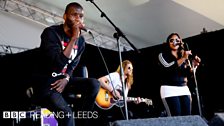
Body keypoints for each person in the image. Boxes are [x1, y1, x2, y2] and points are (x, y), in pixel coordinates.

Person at [31, 2, 100, 126]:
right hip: (48, 83)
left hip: (63, 81)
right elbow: (56, 65)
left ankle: (82, 121)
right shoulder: (51, 33)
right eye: (74, 15)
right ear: (65, 16)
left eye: (81, 16)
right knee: (67, 116)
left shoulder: (82, 41)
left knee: (94, 84)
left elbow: (72, 65)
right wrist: (73, 38)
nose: (78, 19)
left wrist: (67, 78)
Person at [157, 33, 201, 116]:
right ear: (168, 43)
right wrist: (184, 58)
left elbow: (188, 74)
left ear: (180, 42)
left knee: (187, 116)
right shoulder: (162, 55)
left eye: (177, 40)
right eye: (171, 40)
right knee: (176, 116)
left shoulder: (183, 55)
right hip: (169, 89)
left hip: (184, 88)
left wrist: (194, 66)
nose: (174, 42)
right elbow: (168, 68)